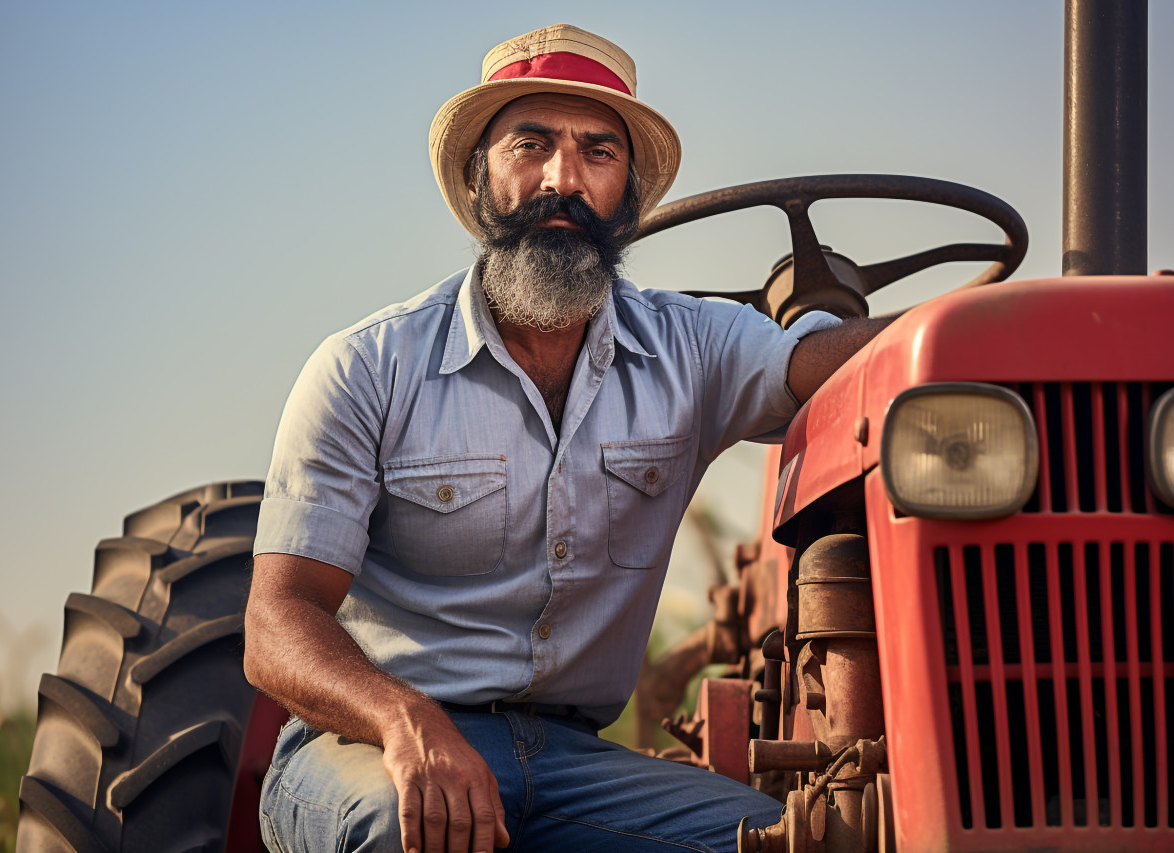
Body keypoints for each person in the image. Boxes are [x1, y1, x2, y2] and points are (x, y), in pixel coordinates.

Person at [244, 23, 891, 853]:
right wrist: (405, 718)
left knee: (810, 840)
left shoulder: (691, 348)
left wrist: (984, 327)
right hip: (367, 740)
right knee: (406, 828)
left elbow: (816, 364)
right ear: (480, 180)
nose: (564, 179)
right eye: (531, 144)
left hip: (572, 756)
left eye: (597, 152)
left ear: (626, 194)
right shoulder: (370, 367)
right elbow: (276, 621)